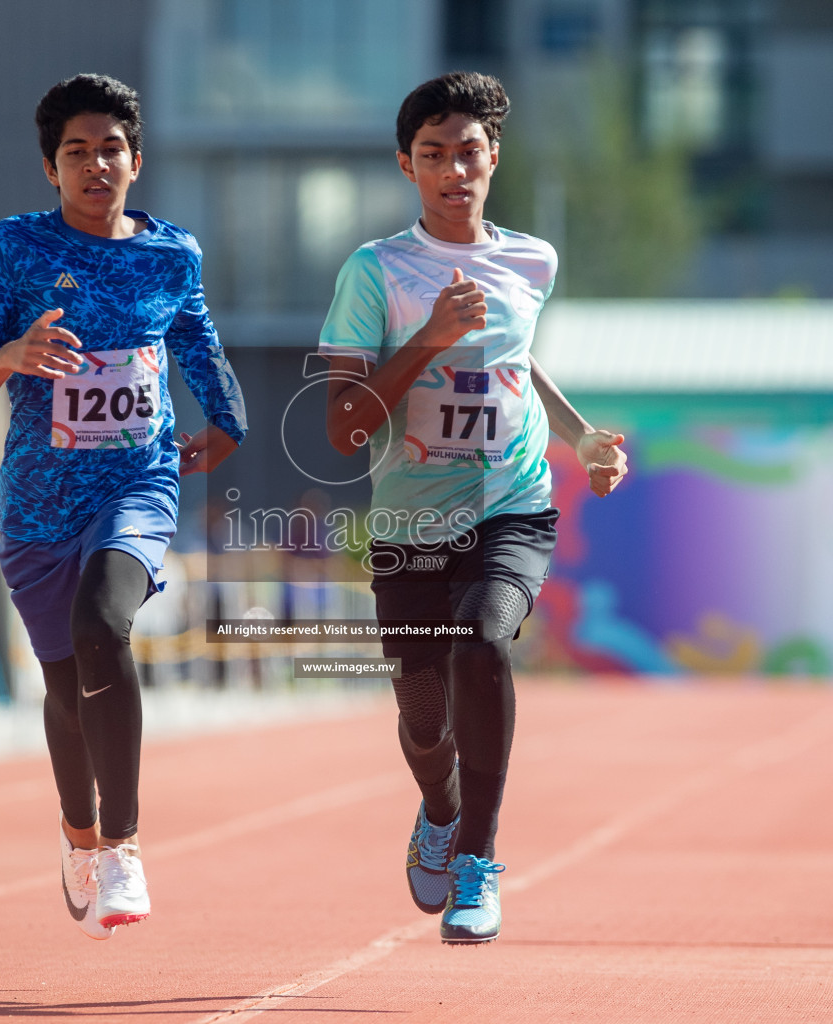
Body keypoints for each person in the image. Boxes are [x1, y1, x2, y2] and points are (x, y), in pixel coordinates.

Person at [317, 72, 627, 944]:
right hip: (412, 523)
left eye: (470, 153)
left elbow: (520, 364)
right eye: (434, 155)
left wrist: (579, 439)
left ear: (495, 158)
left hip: (513, 505)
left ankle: (479, 862)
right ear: (406, 165)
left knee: (482, 642)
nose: (455, 170)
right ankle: (441, 808)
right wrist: (429, 339)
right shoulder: (376, 273)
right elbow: (343, 428)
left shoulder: (534, 259)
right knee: (423, 717)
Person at [0, 74, 246, 941]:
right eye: (77, 151)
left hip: (139, 483)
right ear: (50, 168)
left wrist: (228, 424)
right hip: (38, 503)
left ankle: (123, 843)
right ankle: (78, 837)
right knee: (68, 681)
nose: (96, 163)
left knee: (105, 626)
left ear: (136, 161)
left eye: (111, 148)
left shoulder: (170, 254)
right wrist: (14, 354)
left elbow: (199, 342)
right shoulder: (8, 253)